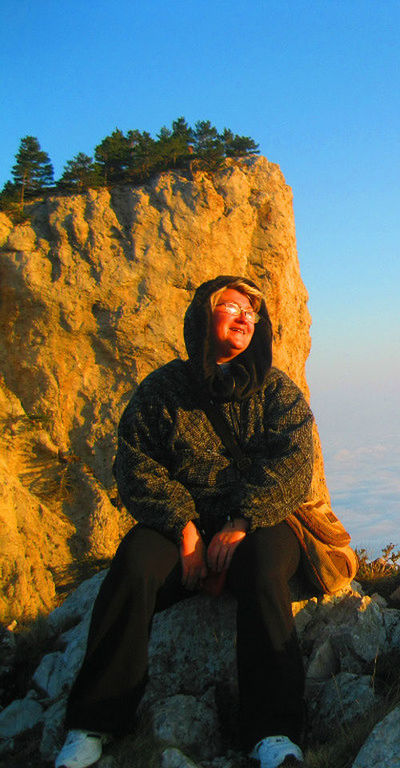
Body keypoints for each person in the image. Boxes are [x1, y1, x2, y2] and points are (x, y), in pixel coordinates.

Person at [56, 275, 346, 768]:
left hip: (261, 523)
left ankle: (272, 731)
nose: (244, 317)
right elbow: (135, 464)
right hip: (185, 526)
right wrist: (184, 527)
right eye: (231, 306)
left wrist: (241, 520)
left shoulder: (276, 390)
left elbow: (294, 465)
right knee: (136, 563)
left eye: (252, 313)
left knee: (260, 568)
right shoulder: (163, 390)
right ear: (201, 316)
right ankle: (93, 723)